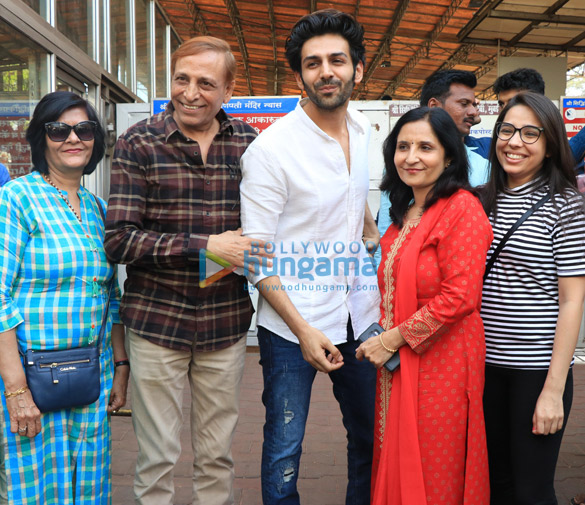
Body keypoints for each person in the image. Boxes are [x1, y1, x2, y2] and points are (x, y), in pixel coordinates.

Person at [104, 36, 269, 505]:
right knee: (156, 459)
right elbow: (119, 240)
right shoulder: (139, 143)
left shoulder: (249, 144)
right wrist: (207, 247)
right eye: (182, 79)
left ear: (229, 90)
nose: (191, 92)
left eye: (206, 83)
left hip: (224, 323)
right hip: (156, 323)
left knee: (217, 457)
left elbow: (261, 232)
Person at [240, 9, 380, 505]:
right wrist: (302, 331)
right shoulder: (271, 151)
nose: (327, 71)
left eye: (337, 60)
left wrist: (370, 236)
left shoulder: (364, 131)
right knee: (284, 451)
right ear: (298, 75)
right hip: (290, 324)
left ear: (357, 70)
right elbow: (256, 258)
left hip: (359, 315)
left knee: (371, 439)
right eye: (313, 62)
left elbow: (353, 200)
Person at [357, 106, 492, 504]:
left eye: (425, 147)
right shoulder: (404, 212)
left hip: (445, 361)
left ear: (449, 156)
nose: (411, 156)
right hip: (398, 359)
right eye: (402, 146)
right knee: (394, 454)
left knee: (436, 465)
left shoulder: (462, 208)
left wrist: (393, 339)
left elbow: (461, 295)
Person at [0, 91, 128, 504]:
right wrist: (17, 390)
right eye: (59, 129)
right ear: (42, 137)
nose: (73, 138)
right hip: (31, 377)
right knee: (32, 486)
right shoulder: (15, 199)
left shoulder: (98, 208)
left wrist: (121, 366)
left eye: (84, 129)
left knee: (87, 486)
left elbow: (112, 297)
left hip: (91, 376)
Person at [480, 91, 585, 505]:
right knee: (494, 485)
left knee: (532, 491)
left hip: (536, 371)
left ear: (549, 144)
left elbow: (572, 301)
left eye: (529, 133)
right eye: (507, 130)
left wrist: (553, 391)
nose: (514, 142)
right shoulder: (479, 200)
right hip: (483, 366)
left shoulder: (566, 206)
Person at [376, 70, 489, 263]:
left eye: (426, 148)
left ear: (449, 160)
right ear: (434, 106)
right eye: (464, 104)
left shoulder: (483, 166)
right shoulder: (401, 166)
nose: (473, 112)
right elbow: (386, 237)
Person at [466, 68, 585, 171]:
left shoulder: (566, 167)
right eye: (502, 104)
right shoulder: (485, 149)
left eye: (530, 134)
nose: (514, 144)